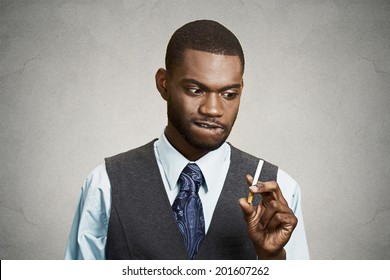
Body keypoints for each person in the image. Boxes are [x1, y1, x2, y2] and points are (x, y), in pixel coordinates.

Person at [65, 19, 309, 260]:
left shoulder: (281, 192)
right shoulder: (105, 185)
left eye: (229, 94)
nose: (213, 109)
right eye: (196, 90)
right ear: (164, 85)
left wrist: (272, 259)